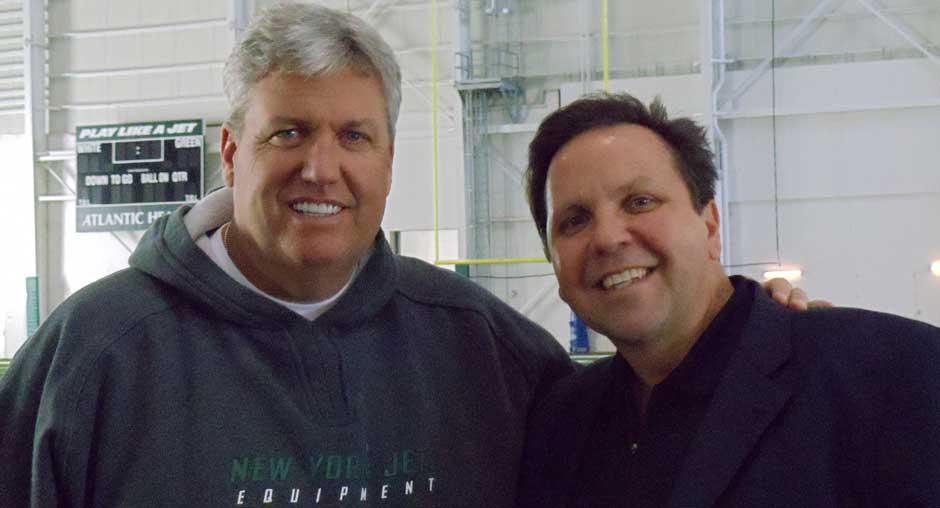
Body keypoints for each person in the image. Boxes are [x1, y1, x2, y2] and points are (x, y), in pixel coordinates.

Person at [0, 4, 814, 507]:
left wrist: (749, 333)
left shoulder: (484, 346)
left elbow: (654, 423)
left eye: (354, 136)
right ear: (233, 152)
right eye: (289, 132)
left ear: (389, 162)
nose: (321, 168)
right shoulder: (91, 357)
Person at [516, 92, 940, 507]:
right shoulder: (558, 426)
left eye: (640, 202)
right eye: (574, 221)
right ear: (554, 262)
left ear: (710, 226)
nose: (608, 238)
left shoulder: (897, 375)